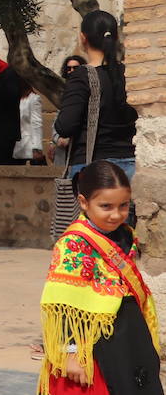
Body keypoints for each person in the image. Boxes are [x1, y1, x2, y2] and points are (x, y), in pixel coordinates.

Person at [39, 160, 159, 395]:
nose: (116, 215)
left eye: (123, 206)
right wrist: (70, 354)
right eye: (106, 206)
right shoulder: (73, 243)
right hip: (92, 345)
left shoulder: (126, 234)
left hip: (128, 334)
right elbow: (63, 305)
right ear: (84, 202)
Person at [54, 11, 137, 182]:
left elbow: (65, 126)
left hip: (93, 168)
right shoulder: (130, 74)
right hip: (132, 166)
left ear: (83, 38)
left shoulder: (81, 76)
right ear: (115, 38)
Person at [14, 82, 45, 166]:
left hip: (26, 146)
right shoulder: (12, 98)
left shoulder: (33, 98)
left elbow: (36, 124)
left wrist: (37, 147)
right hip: (12, 146)